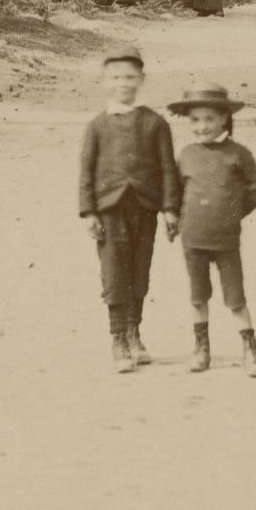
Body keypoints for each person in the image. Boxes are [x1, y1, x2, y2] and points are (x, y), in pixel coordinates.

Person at [77, 48, 181, 372]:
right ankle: (117, 337)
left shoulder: (155, 123)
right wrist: (89, 212)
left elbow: (167, 168)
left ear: (141, 80)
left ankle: (134, 331)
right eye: (116, 77)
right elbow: (86, 171)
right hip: (109, 210)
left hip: (145, 209)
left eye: (130, 77)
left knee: (139, 271)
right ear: (104, 81)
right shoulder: (97, 126)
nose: (123, 83)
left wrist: (170, 209)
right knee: (113, 272)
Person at [168, 83, 256, 377]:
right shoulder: (186, 154)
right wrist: (175, 218)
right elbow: (174, 192)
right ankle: (201, 348)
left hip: (226, 240)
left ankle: (250, 350)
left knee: (235, 298)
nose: (202, 126)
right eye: (195, 120)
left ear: (225, 118)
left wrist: (233, 213)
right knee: (198, 297)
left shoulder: (238, 154)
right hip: (193, 239)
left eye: (210, 119)